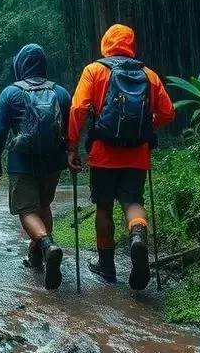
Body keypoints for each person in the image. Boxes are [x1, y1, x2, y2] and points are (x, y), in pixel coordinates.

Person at [67, 24, 175, 290]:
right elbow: (168, 112)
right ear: (131, 44)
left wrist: (72, 146)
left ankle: (107, 268)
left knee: (103, 207)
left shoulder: (95, 70)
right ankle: (137, 236)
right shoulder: (148, 74)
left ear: (106, 43)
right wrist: (144, 128)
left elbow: (78, 108)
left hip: (103, 153)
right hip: (137, 154)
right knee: (133, 201)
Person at [0, 44, 72, 290]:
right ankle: (37, 255)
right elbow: (68, 129)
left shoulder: (10, 93)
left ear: (20, 65)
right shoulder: (62, 93)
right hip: (53, 162)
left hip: (21, 162)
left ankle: (47, 247)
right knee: (44, 205)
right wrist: (69, 153)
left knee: (27, 211)